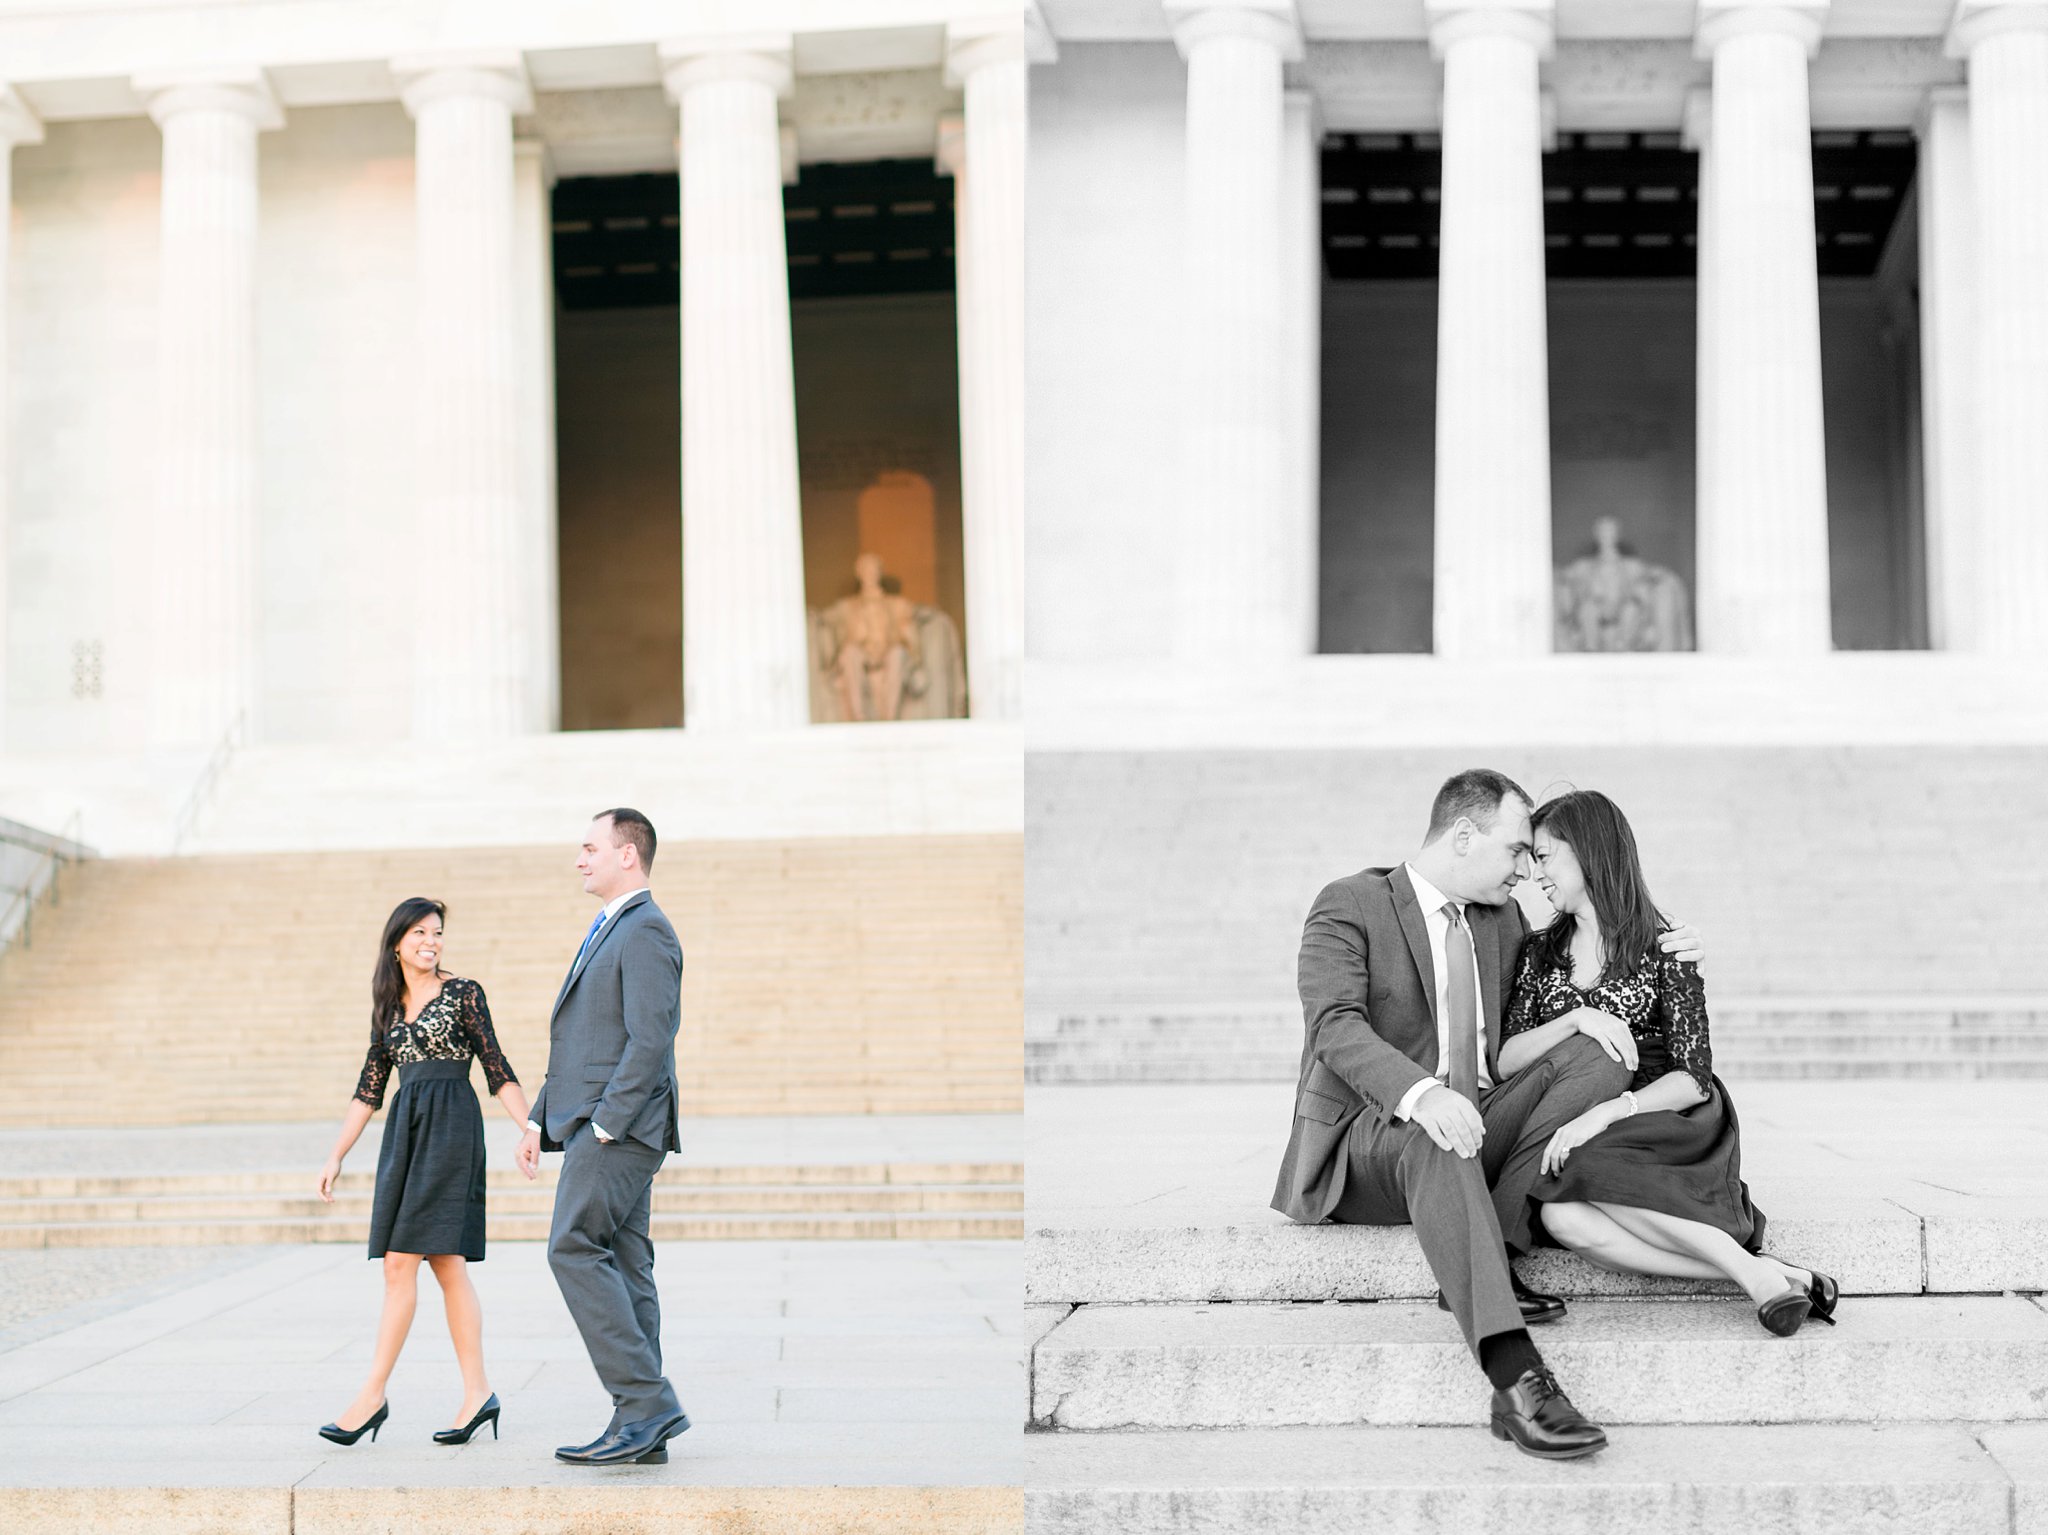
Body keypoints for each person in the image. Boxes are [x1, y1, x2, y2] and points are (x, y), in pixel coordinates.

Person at [1271, 769, 1703, 1460]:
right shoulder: (1350, 903)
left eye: (1536, 855)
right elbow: (1335, 1026)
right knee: (1435, 1132)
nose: (1528, 870)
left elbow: (1585, 961)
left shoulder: (1503, 922)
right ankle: (1518, 1381)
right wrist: (1423, 1093)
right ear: (1464, 835)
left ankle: (1492, 1238)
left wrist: (1668, 949)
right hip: (1375, 1139)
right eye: (1516, 851)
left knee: (1600, 1055)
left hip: (1481, 1123)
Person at [1504, 788, 1838, 1336]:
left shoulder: (1666, 946)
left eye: (1544, 856)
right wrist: (1573, 1021)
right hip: (1577, 1109)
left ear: (1587, 852)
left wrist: (1610, 1111)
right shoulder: (1540, 952)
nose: (1535, 872)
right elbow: (1507, 1056)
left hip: (1662, 1114)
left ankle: (1757, 1283)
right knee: (1560, 1216)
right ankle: (1764, 1274)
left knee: (1584, 1166)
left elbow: (1694, 1077)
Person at [317, 897, 533, 1446]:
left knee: (399, 1263)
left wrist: (530, 1128)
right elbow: (370, 1088)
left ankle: (371, 1396)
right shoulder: (387, 1008)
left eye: (436, 932)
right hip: (405, 1137)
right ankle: (478, 1393)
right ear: (396, 943)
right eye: (418, 933)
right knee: (446, 1264)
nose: (430, 941)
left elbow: (496, 1065)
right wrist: (336, 1154)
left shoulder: (464, 993)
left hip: (451, 1131)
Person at [516, 808, 688, 1466]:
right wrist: (539, 1116)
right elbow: (584, 1040)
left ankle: (646, 1402)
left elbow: (650, 1039)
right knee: (626, 1260)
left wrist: (606, 1123)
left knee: (572, 1247)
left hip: (618, 1127)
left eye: (590, 847)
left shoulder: (645, 929)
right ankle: (642, 1424)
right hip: (600, 1118)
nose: (580, 858)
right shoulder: (612, 926)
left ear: (627, 854)